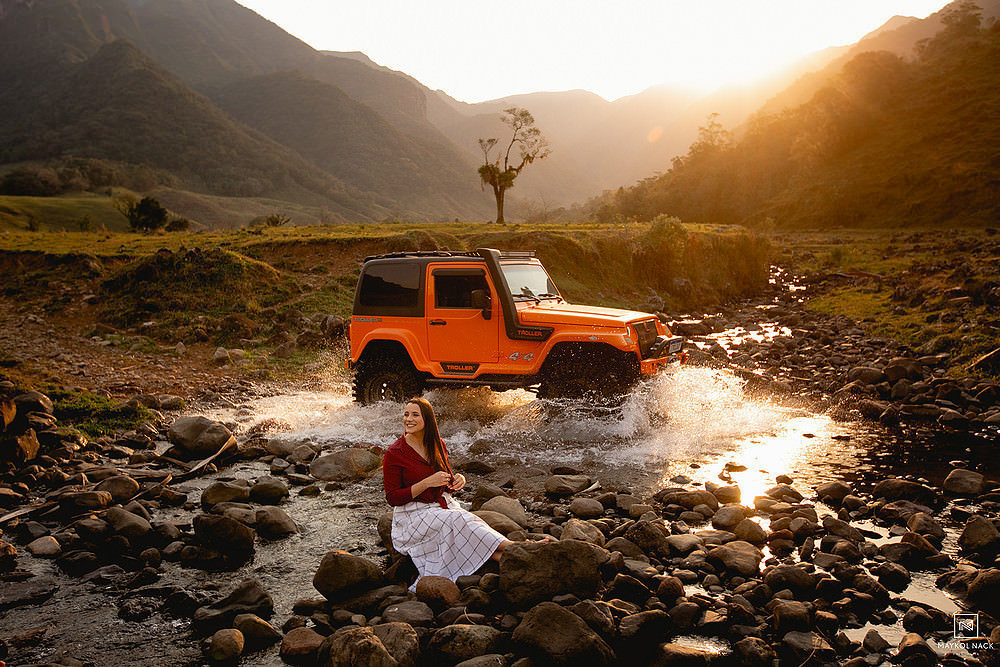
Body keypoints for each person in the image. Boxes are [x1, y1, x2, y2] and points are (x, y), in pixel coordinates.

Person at [383, 397, 511, 586]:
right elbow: (392, 497)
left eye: (415, 415)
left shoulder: (438, 444)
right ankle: (517, 548)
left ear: (427, 419)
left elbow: (445, 480)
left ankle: (506, 557)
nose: (408, 419)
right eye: (406, 414)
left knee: (470, 523)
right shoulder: (395, 452)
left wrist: (458, 480)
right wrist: (426, 483)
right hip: (411, 516)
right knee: (460, 520)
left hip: (440, 506)